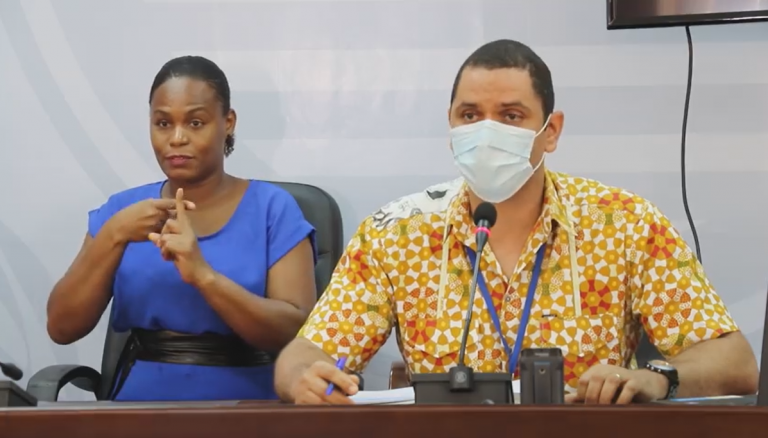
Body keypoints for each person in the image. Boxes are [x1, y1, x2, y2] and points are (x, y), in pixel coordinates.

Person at [274, 39, 759, 405]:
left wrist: (656, 378)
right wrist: (303, 377)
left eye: (510, 116)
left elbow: (735, 362)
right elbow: (305, 355)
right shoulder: (395, 232)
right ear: (450, 126)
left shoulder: (626, 223)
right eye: (470, 115)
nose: (487, 131)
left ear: (551, 131)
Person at [46, 56, 318, 401]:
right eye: (163, 123)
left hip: (249, 405)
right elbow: (61, 328)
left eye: (195, 122)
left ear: (228, 122)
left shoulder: (273, 209)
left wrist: (204, 276)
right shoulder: (121, 212)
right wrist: (114, 235)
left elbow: (296, 332)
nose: (176, 138)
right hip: (138, 407)